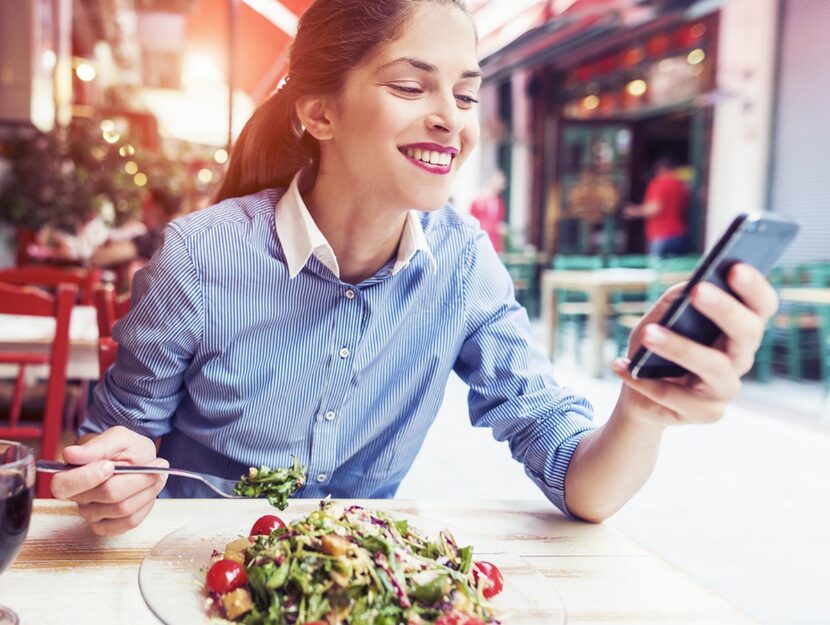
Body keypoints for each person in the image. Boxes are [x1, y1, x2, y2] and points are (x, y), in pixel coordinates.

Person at [51, 0, 778, 536]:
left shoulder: (464, 266)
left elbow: (581, 483)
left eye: (464, 94)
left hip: (356, 584)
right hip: (191, 572)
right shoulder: (201, 256)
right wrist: (115, 477)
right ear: (320, 114)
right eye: (410, 86)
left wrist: (643, 410)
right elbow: (121, 444)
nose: (452, 119)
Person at [625, 156, 691, 257]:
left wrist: (633, 211)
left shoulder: (659, 183)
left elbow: (655, 208)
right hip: (679, 234)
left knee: (657, 270)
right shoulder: (681, 185)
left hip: (661, 235)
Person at [469, 170, 506, 252]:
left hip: (495, 240)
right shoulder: (479, 200)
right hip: (480, 238)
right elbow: (472, 217)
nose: (501, 186)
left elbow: (498, 221)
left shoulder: (499, 202)